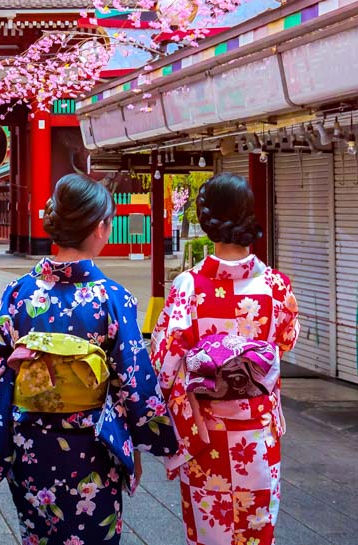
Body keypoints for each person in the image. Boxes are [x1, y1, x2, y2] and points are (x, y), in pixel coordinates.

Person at [0, 174, 177, 544]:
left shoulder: (19, 292)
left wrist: (31, 393)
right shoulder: (112, 298)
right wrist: (160, 441)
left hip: (30, 443)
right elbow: (134, 381)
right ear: (101, 227)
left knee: (39, 536)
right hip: (92, 446)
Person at [150, 173, 299, 545]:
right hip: (258, 430)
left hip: (207, 432)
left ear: (206, 220)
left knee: (209, 530)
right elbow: (285, 340)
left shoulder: (189, 285)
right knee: (256, 530)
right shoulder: (276, 286)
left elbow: (165, 362)